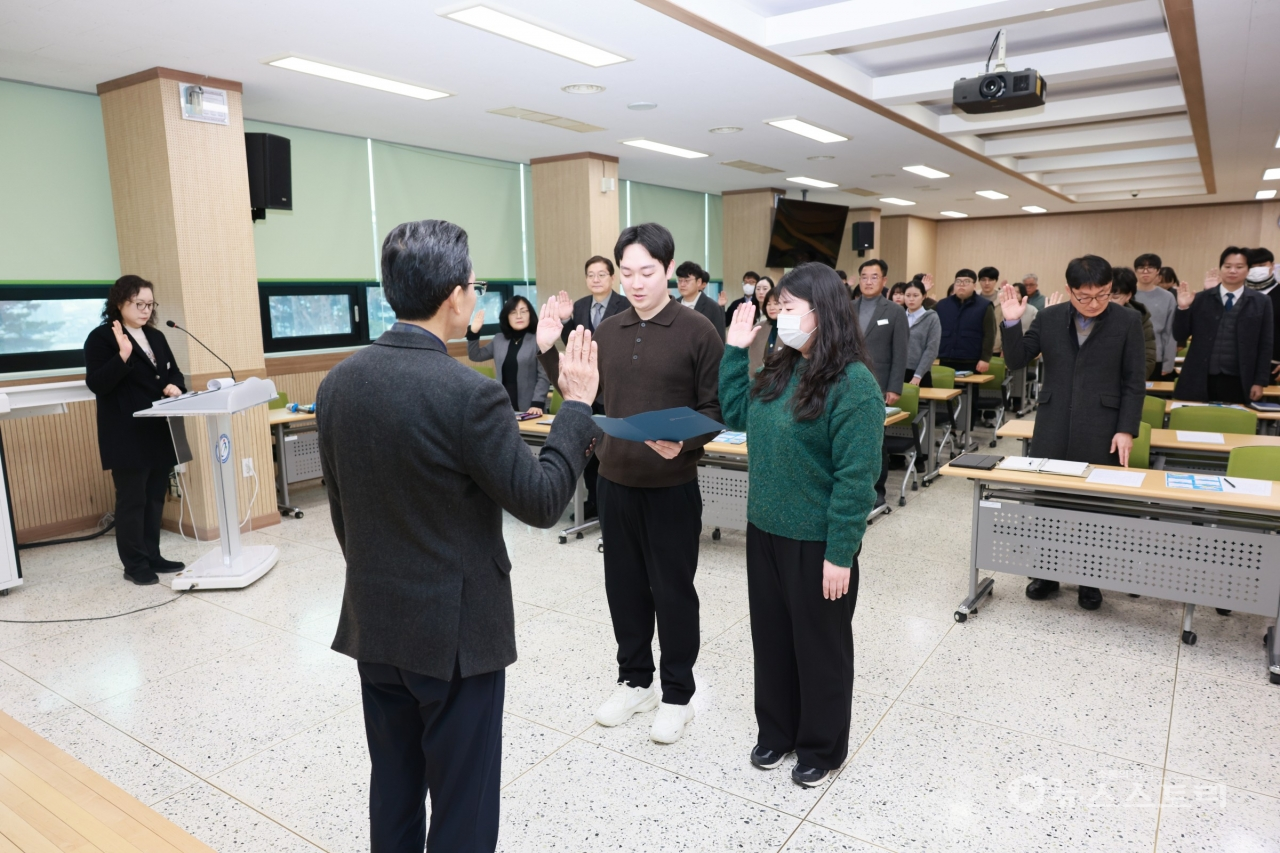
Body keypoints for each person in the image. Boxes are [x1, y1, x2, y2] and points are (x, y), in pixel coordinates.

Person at [316, 219, 601, 853]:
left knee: (392, 788)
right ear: (453, 296)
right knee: (462, 806)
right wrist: (576, 405)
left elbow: (341, 511)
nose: (476, 295)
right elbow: (543, 501)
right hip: (456, 638)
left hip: (375, 622)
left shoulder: (337, 384)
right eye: (474, 285)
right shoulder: (468, 395)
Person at [538, 223, 723, 745]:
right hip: (615, 483)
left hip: (671, 486)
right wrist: (550, 351)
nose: (637, 283)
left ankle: (678, 694)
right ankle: (635, 680)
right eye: (628, 273)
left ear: (669, 270)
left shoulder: (698, 332)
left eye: (647, 271)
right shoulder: (607, 331)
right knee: (623, 591)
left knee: (673, 594)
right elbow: (582, 397)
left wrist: (683, 443)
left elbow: (713, 412)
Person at [720, 263, 881, 788]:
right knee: (772, 640)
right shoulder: (781, 365)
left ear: (823, 312)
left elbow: (856, 481)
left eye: (788, 308)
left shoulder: (854, 385)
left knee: (819, 647)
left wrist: (840, 553)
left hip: (817, 541)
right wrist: (734, 351)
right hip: (764, 529)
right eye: (777, 307)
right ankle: (777, 732)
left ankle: (820, 746)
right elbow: (736, 413)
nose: (778, 316)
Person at [999, 256, 1145, 611]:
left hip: (1102, 426)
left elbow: (1134, 381)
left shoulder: (1128, 321)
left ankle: (1089, 580)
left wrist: (1126, 428)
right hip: (1052, 424)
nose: (1094, 303)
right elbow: (1016, 360)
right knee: (1048, 502)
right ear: (1069, 291)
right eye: (1084, 296)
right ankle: (1046, 574)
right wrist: (1011, 322)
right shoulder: (1049, 317)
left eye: (1103, 295)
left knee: (1094, 508)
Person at [84, 275, 187, 586]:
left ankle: (152, 555)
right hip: (126, 432)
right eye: (139, 304)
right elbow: (98, 383)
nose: (145, 310)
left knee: (156, 496)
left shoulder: (155, 336)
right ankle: (135, 564)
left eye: (149, 304)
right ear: (120, 303)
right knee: (132, 499)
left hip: (158, 428)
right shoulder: (101, 338)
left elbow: (175, 372)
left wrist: (175, 387)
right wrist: (124, 355)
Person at [1173, 247, 1275, 404]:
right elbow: (1179, 335)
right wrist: (1183, 308)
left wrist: (1260, 381)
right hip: (1200, 377)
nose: (1232, 271)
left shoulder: (1261, 302)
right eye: (1227, 266)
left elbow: (1265, 345)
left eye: (1239, 267)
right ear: (1220, 269)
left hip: (1240, 379)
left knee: (1234, 425)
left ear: (1248, 270)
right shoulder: (1201, 298)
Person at [852, 259, 909, 509]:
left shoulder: (894, 311)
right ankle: (853, 486)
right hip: (847, 382)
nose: (868, 281)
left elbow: (901, 352)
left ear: (884, 281)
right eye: (864, 276)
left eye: (874, 277)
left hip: (878, 384)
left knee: (876, 440)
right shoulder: (848, 308)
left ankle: (878, 489)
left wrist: (895, 387)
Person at [466, 295, 550, 417]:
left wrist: (537, 403)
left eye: (523, 311)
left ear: (530, 314)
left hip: (531, 406)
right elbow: (475, 355)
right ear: (507, 317)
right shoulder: (499, 339)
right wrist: (474, 332)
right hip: (502, 405)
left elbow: (544, 376)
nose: (519, 316)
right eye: (513, 312)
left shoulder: (539, 340)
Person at [935, 268, 995, 375]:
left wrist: (985, 359)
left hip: (972, 359)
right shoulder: (942, 304)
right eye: (958, 282)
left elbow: (989, 334)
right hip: (946, 357)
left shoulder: (984, 306)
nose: (961, 285)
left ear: (974, 286)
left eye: (966, 282)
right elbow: (923, 316)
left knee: (971, 390)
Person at [558, 255, 630, 344]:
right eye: (591, 275)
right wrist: (566, 319)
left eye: (601, 275)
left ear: (612, 278)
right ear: (586, 279)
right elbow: (571, 343)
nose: (595, 280)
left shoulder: (627, 305)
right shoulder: (579, 305)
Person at [1133, 253, 1178, 380]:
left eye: (1150, 267)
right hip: (1128, 358)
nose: (1145, 271)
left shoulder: (1168, 297)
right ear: (1135, 271)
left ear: (1158, 271)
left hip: (1156, 358)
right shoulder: (1127, 295)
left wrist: (1168, 364)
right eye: (1141, 267)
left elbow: (1170, 332)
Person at [1110, 267, 1158, 379]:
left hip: (1124, 385)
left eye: (1115, 297)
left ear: (1128, 296)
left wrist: (1132, 383)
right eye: (1103, 295)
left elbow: (1148, 357)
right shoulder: (1089, 314)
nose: (1108, 301)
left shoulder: (1140, 318)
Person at [1243, 247, 1280, 379]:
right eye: (1251, 266)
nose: (1256, 270)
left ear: (1272, 266)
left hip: (1273, 363)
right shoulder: (1238, 292)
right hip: (1237, 362)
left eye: (1261, 265)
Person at [675, 261, 727, 340]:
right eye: (680, 280)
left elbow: (719, 341)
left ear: (698, 282)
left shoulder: (713, 307)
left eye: (687, 281)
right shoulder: (673, 305)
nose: (682, 284)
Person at [903, 279, 940, 388]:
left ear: (924, 296)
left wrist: (918, 375)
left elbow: (932, 349)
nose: (911, 299)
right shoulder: (899, 316)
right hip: (897, 373)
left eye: (915, 295)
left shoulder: (932, 318)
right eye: (908, 295)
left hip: (920, 374)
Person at [991, 282, 1037, 355]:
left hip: (1025, 346)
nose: (1015, 294)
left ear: (1023, 293)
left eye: (1018, 292)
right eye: (1013, 292)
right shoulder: (1005, 308)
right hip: (1005, 346)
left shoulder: (1032, 310)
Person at [748, 288, 782, 373]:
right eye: (768, 304)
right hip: (758, 378)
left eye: (776, 303)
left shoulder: (791, 328)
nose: (771, 307)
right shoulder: (758, 328)